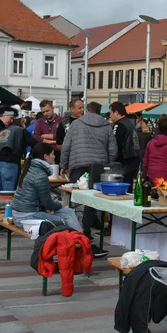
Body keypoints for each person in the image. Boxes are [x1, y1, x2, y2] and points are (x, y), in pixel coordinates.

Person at [59, 101, 117, 255]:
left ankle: (76, 234)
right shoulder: (106, 126)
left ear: (87, 110)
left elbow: (66, 146)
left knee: (76, 200)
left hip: (78, 165)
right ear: (100, 111)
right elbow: (113, 149)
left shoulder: (76, 124)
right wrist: (107, 165)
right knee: (92, 202)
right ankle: (87, 234)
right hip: (98, 168)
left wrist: (63, 165)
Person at [11, 143, 82, 232]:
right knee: (63, 222)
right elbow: (48, 203)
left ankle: (79, 239)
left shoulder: (31, 168)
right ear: (46, 156)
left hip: (23, 213)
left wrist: (49, 208)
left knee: (69, 212)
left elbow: (41, 200)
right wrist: (60, 204)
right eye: (52, 154)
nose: (54, 157)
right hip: (26, 217)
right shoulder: (40, 174)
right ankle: (78, 241)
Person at [108, 102, 141, 188]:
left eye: (111, 113)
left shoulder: (119, 125)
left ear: (116, 113)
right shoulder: (130, 124)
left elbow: (115, 144)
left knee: (120, 190)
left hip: (124, 162)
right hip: (134, 160)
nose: (110, 116)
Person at [142, 116, 167, 187]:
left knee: (152, 198)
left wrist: (144, 177)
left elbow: (145, 163)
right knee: (165, 197)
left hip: (152, 178)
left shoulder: (150, 143)